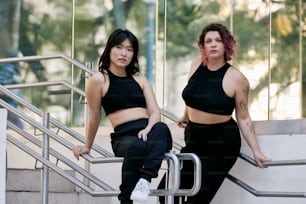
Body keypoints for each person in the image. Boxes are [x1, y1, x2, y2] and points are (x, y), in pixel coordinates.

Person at [159, 23, 271, 204]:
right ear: (202, 46)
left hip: (221, 144)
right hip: (194, 138)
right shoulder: (196, 65)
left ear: (227, 45)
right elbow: (193, 94)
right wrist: (186, 114)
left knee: (197, 199)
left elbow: (243, 117)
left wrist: (256, 150)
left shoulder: (237, 78)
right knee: (166, 193)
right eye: (208, 41)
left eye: (218, 41)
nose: (213, 44)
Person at [72, 28, 172, 204]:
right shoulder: (98, 80)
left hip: (148, 131)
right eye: (119, 47)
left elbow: (155, 112)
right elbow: (94, 115)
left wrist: (148, 128)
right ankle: (126, 199)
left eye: (129, 49)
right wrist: (88, 145)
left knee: (162, 129)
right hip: (124, 137)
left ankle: (145, 181)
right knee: (138, 146)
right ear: (109, 49)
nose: (124, 53)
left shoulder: (140, 79)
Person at [0, 50, 24, 129]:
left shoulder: (13, 70)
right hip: (7, 103)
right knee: (18, 126)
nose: (22, 60)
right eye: (20, 58)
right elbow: (2, 82)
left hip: (9, 103)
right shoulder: (8, 69)